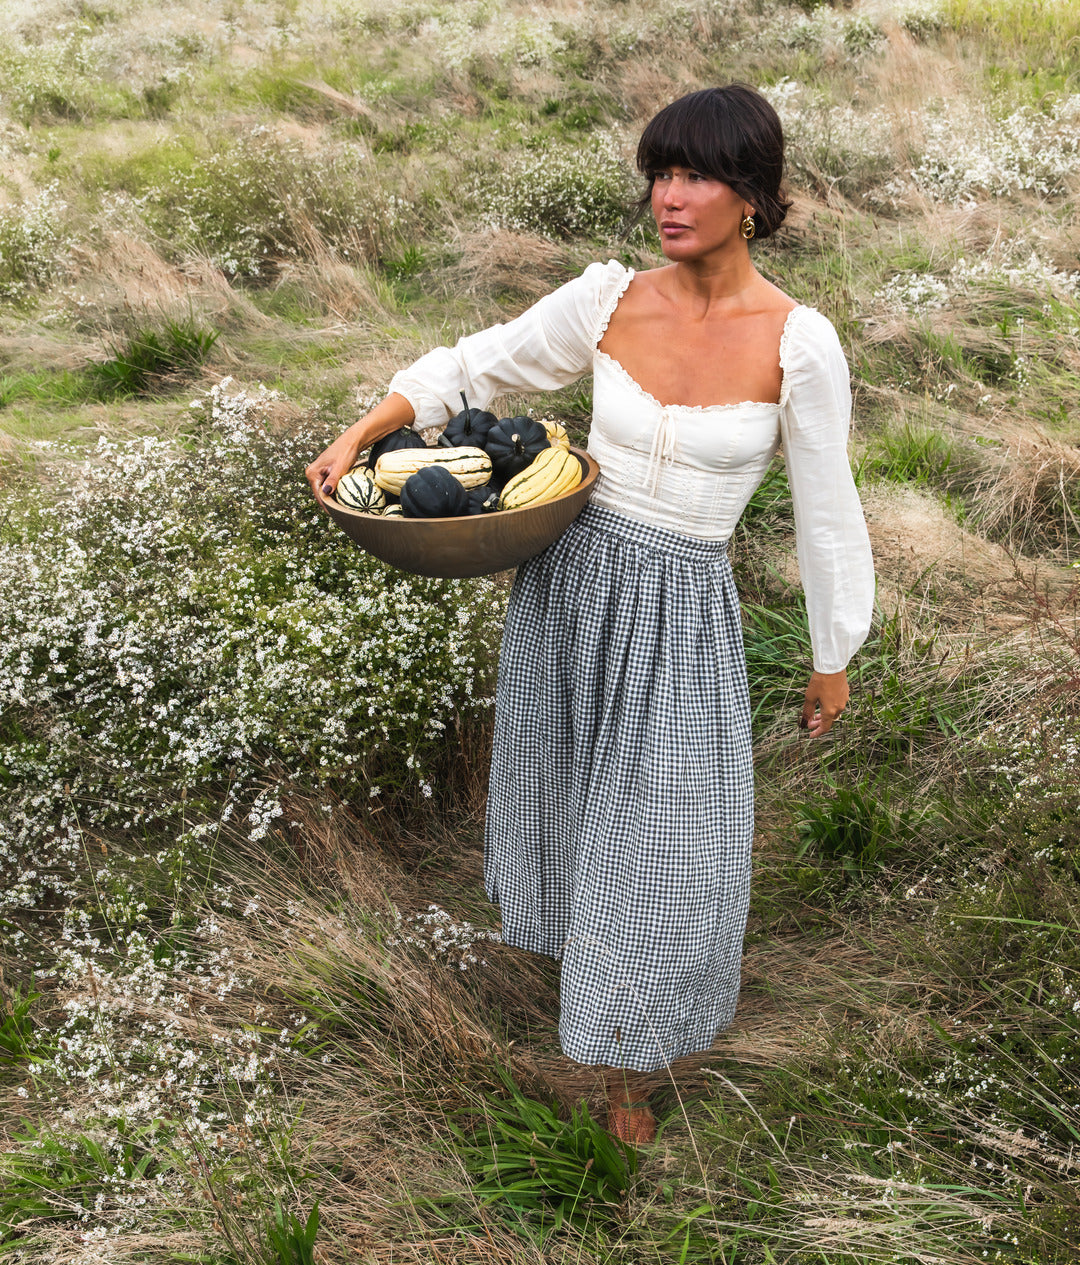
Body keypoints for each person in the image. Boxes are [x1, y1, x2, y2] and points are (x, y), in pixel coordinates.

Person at [305, 85, 875, 1146]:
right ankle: (600, 1012)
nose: (669, 196)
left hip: (681, 613)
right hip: (570, 585)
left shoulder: (800, 344)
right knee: (574, 803)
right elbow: (473, 365)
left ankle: (631, 1063)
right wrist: (361, 430)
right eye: (659, 172)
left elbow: (828, 507)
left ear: (751, 193)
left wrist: (833, 651)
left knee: (665, 838)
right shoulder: (610, 298)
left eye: (696, 174)